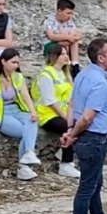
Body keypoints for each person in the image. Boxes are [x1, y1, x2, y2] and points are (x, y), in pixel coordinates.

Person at [62, 38, 107, 214]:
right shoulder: (98, 82)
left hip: (85, 136)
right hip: (93, 137)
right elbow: (88, 117)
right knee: (88, 186)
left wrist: (70, 129)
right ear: (101, 58)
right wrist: (73, 133)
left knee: (95, 182)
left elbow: (72, 104)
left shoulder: (82, 75)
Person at [0, 48, 41, 180]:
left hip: (17, 109)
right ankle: (24, 166)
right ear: (3, 61)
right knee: (25, 132)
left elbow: (26, 96)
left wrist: (32, 112)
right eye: (13, 62)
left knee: (31, 122)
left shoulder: (17, 77)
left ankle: (28, 155)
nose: (16, 66)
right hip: (2, 113)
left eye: (17, 63)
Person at [34, 42, 82, 178]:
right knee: (70, 127)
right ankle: (65, 164)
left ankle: (63, 152)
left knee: (83, 123)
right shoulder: (46, 75)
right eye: (62, 54)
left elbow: (72, 96)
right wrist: (67, 119)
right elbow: (50, 102)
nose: (66, 56)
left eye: (67, 53)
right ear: (54, 56)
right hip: (47, 115)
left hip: (63, 112)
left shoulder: (64, 73)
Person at [42, 0, 84, 76]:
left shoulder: (69, 22)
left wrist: (73, 37)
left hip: (65, 44)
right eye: (68, 13)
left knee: (72, 41)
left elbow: (78, 34)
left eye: (71, 13)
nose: (70, 16)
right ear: (59, 11)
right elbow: (51, 36)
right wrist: (68, 37)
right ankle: (67, 64)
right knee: (66, 39)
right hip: (51, 45)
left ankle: (75, 64)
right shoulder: (50, 21)